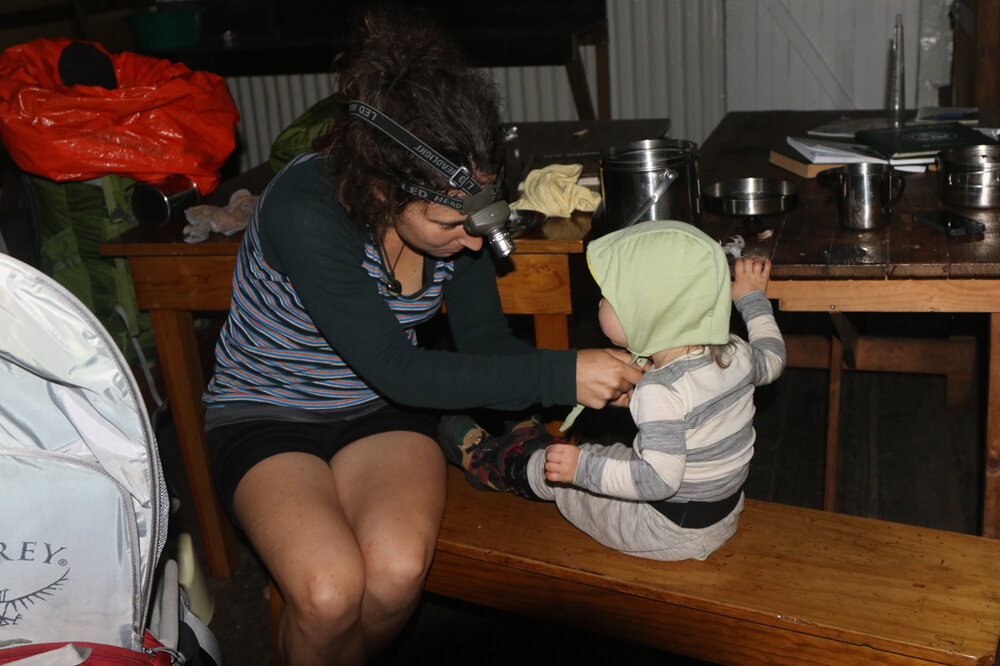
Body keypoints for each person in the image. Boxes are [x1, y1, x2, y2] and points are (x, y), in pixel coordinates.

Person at [200, 7, 642, 666]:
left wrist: (592, 379)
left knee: (398, 573)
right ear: (383, 188)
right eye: (449, 223)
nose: (473, 239)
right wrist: (563, 372)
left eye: (484, 212)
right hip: (268, 410)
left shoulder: (454, 221)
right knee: (327, 592)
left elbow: (484, 346)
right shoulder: (306, 210)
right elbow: (397, 367)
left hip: (379, 412)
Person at [439, 220, 787, 561]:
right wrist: (753, 298)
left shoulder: (661, 391)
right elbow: (773, 357)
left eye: (608, 296)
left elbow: (657, 481)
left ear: (647, 314)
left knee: (560, 474)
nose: (600, 303)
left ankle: (498, 464)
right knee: (599, 453)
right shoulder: (734, 352)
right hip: (719, 510)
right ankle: (532, 445)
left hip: (663, 528)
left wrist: (581, 472)